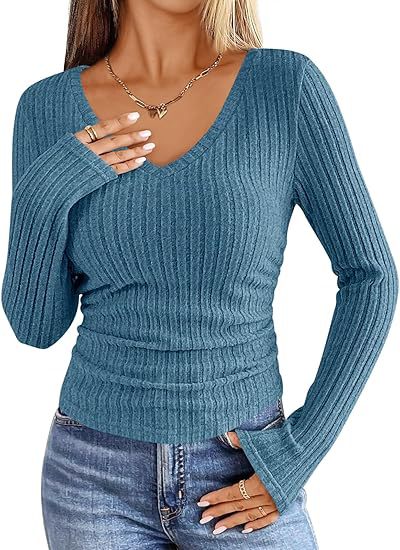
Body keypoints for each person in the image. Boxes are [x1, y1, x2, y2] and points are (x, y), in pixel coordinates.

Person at [1, 0, 397, 548]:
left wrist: (298, 451)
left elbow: (371, 276)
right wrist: (44, 193)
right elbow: (35, 327)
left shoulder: (284, 88)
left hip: (242, 468)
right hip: (90, 478)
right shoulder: (45, 107)